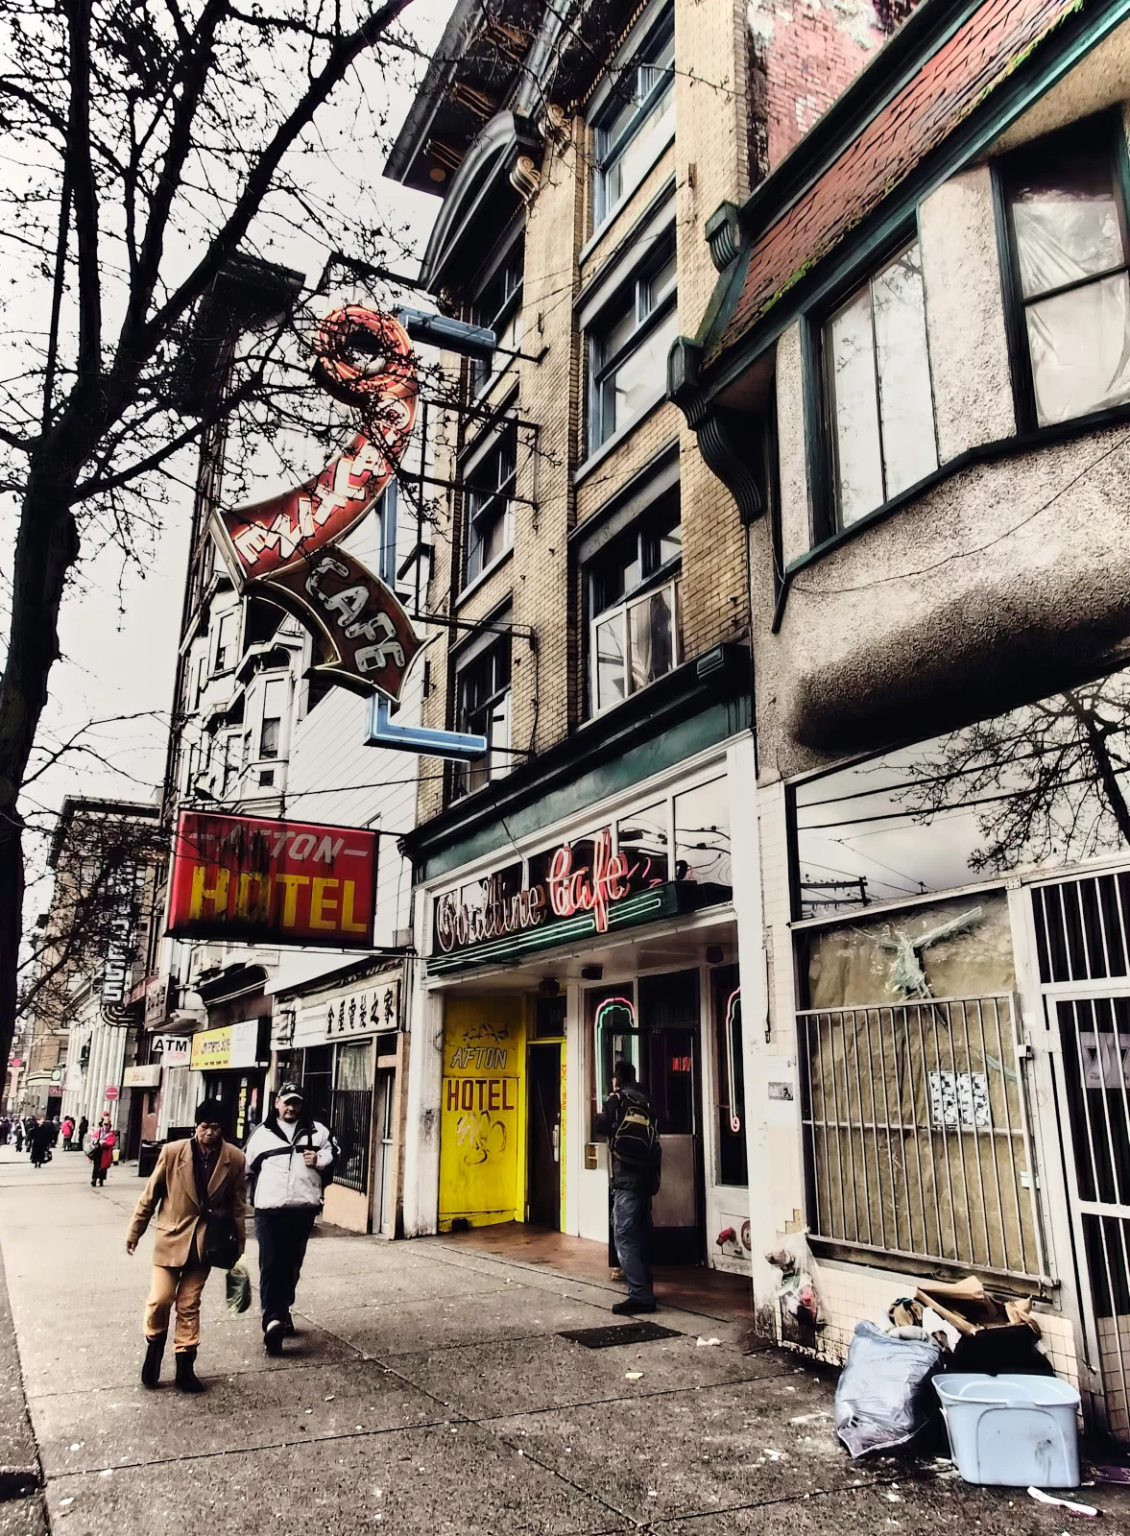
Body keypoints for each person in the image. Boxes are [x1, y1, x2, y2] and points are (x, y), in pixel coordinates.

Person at [126, 1100, 247, 1393]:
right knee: (160, 1299)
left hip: (206, 1244)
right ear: (196, 1126)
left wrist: (239, 1241)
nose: (209, 1133)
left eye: (215, 1127)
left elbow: (238, 1204)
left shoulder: (235, 1158)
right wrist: (135, 1231)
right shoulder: (172, 1152)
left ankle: (185, 1367)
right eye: (204, 1126)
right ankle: (153, 1348)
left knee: (189, 1304)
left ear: (222, 1129)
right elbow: (150, 1195)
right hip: (170, 1238)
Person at [244, 1083, 334, 1355]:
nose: (290, 1107)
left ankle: (283, 1308)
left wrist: (318, 1158)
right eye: (286, 1102)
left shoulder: (318, 1131)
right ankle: (272, 1320)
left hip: (302, 1208)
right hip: (269, 1210)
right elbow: (245, 1167)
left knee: (292, 1265)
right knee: (271, 1264)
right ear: (276, 1103)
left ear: (301, 1105)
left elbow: (333, 1156)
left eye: (295, 1102)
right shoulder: (261, 1134)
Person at [594, 1059, 662, 1315]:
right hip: (647, 1176)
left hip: (626, 1177)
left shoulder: (617, 1099)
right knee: (641, 1232)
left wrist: (603, 1111)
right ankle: (646, 1286)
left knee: (624, 1234)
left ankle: (640, 1295)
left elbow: (601, 1126)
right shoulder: (647, 1100)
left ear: (617, 1078)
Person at [88, 1113, 116, 1187]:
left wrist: (105, 1143)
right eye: (105, 1124)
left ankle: (101, 1180)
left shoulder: (111, 1134)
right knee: (96, 1166)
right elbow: (94, 1137)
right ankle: (94, 1179)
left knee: (103, 1167)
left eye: (107, 1125)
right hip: (98, 1151)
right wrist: (96, 1141)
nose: (106, 1126)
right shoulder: (99, 1131)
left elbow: (112, 1142)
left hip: (105, 1152)